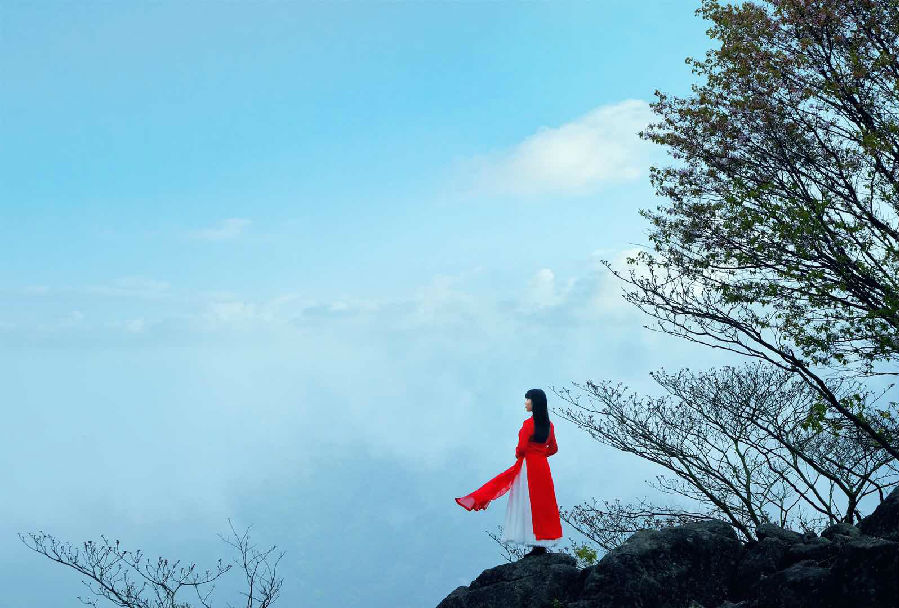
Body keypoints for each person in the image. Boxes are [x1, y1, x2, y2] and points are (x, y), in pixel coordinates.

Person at [455, 388, 563, 557]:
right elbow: (554, 448)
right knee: (542, 503)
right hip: (542, 467)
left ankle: (533, 541)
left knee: (527, 502)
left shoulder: (528, 424)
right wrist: (541, 454)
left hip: (528, 467)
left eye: (528, 400)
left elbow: (522, 448)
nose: (526, 403)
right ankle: (541, 542)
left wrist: (524, 454)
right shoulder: (550, 425)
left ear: (534, 403)